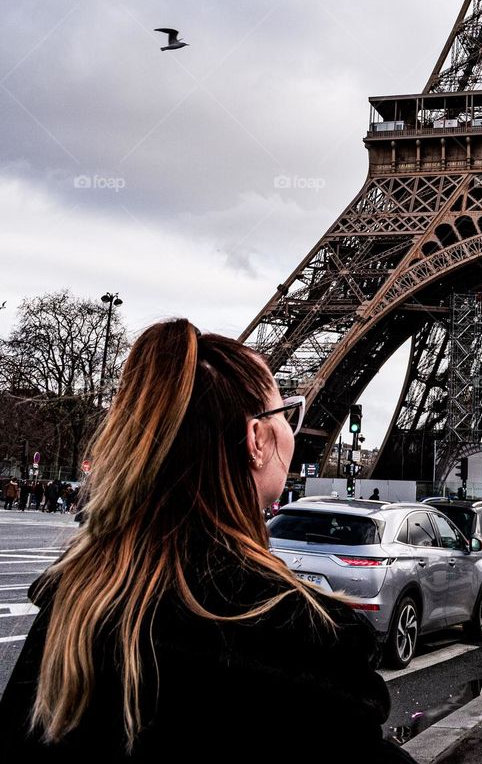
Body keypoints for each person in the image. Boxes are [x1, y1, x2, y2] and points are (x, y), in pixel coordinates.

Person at [0, 319, 415, 760]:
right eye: (287, 413)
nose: (292, 433)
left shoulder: (78, 605)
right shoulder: (302, 643)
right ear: (256, 437)